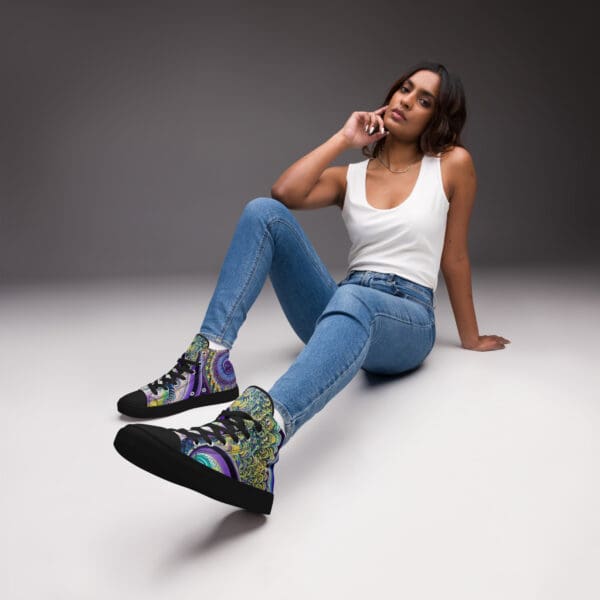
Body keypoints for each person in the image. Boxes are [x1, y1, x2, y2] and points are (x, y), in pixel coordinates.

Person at [113, 61, 511, 515]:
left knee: (354, 297)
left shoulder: (452, 164)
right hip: (343, 307)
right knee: (263, 212)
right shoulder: (351, 177)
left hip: (406, 318)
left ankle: (256, 440)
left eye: (424, 100)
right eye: (404, 88)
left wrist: (471, 337)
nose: (406, 100)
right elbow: (285, 192)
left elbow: (454, 256)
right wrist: (345, 138)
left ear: (437, 117)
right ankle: (208, 363)